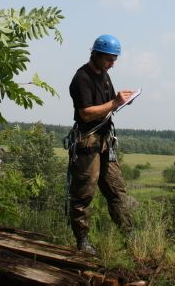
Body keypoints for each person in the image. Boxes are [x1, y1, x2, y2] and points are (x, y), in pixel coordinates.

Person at [67, 34, 134, 254]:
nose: (112, 64)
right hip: (88, 142)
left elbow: (106, 106)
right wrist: (114, 102)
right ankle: (83, 241)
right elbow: (85, 114)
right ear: (95, 55)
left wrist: (120, 101)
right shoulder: (81, 79)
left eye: (114, 59)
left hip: (105, 141)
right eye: (108, 59)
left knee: (117, 191)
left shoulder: (104, 76)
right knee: (83, 194)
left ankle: (130, 239)